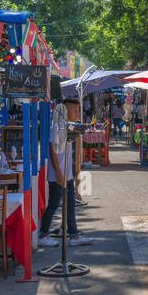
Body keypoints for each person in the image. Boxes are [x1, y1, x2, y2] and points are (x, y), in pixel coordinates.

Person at [38, 79, 93, 247]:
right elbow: (51, 150)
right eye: (75, 109)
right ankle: (43, 234)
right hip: (58, 174)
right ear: (67, 109)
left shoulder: (66, 126)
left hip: (65, 174)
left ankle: (74, 235)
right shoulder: (57, 125)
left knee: (70, 205)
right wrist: (59, 173)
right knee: (54, 204)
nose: (77, 112)